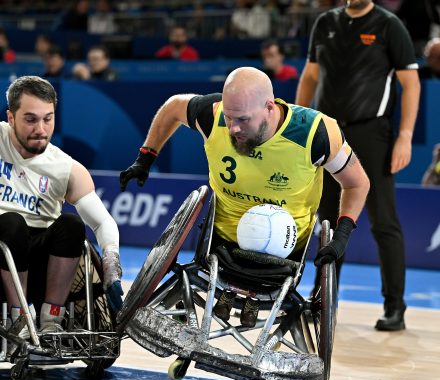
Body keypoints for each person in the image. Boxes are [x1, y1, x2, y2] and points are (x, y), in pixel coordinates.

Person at [120, 66, 370, 328]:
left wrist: (342, 236)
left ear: (269, 107)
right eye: (229, 117)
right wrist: (146, 157)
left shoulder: (315, 133)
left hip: (284, 253)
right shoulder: (213, 116)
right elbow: (173, 107)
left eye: (243, 119)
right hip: (221, 245)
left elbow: (357, 184)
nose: (234, 128)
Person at [295, 0, 421, 331]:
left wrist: (405, 136)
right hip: (328, 132)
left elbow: (411, 83)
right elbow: (310, 76)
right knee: (327, 221)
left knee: (383, 222)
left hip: (372, 134)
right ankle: (323, 300)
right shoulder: (324, 23)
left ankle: (395, 307)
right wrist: (296, 126)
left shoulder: (389, 25)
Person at [0, 76, 123, 339]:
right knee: (12, 223)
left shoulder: (67, 168)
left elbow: (103, 222)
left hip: (42, 267)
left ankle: (50, 319)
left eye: (48, 118)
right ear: (11, 118)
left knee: (72, 224)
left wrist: (111, 263)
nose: (41, 129)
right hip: (2, 256)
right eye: (31, 119)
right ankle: (19, 316)